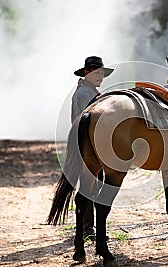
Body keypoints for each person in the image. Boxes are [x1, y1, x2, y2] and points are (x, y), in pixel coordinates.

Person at [71, 56, 114, 240]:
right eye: (97, 72)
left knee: (94, 184)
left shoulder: (92, 92)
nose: (100, 76)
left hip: (95, 143)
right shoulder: (84, 94)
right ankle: (87, 227)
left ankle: (90, 226)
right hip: (87, 143)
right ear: (87, 73)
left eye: (102, 73)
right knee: (88, 185)